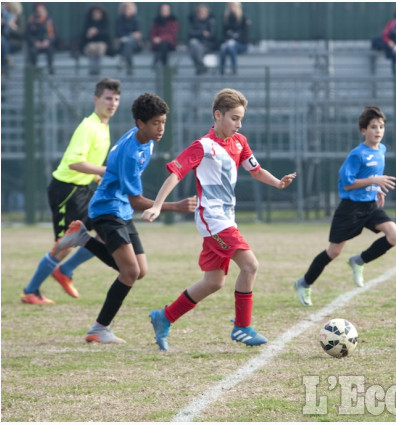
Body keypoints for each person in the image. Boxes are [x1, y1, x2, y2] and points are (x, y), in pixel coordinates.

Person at [143, 88, 296, 351]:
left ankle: (164, 317)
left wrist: (278, 183)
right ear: (218, 115)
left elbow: (256, 170)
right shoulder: (203, 146)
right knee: (250, 266)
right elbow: (176, 174)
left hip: (227, 218)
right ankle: (242, 327)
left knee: (213, 281)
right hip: (212, 218)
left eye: (241, 119)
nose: (239, 124)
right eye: (234, 118)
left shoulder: (239, 142)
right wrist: (157, 205)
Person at [80, 93, 197, 344]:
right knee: (129, 271)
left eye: (163, 122)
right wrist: (174, 206)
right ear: (140, 122)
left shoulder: (146, 139)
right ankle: (99, 328)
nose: (161, 128)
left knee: (139, 271)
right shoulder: (131, 153)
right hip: (106, 210)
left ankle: (82, 239)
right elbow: (137, 202)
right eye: (156, 123)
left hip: (120, 208)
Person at [21, 78, 122, 305]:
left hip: (82, 189)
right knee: (65, 244)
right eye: (108, 98)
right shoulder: (89, 127)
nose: (112, 103)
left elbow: (89, 162)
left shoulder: (103, 126)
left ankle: (65, 270)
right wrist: (106, 171)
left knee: (106, 235)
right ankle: (31, 290)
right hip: (66, 190)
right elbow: (74, 163)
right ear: (96, 99)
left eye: (116, 99)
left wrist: (98, 177)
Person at [293, 105, 396, 307]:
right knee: (333, 252)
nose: (378, 131)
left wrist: (376, 189)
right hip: (350, 209)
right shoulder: (357, 154)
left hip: (370, 206)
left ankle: (359, 260)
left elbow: (371, 179)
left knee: (394, 235)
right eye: (373, 127)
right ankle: (304, 283)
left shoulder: (382, 150)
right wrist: (373, 180)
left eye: (381, 127)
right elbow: (348, 183)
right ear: (363, 131)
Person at [371, 10, 396, 74]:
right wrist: (389, 42)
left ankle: (394, 68)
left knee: (392, 50)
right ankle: (394, 68)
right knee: (378, 42)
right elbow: (385, 34)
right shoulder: (392, 24)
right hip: (390, 43)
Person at [218, 2, 250, 75]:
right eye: (230, 6)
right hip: (228, 43)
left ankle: (234, 69)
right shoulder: (226, 17)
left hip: (241, 44)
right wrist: (227, 40)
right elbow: (224, 33)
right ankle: (221, 69)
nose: (232, 7)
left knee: (232, 46)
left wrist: (233, 40)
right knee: (223, 47)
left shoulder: (243, 17)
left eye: (234, 6)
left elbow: (245, 36)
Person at [80, 5, 111, 76]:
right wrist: (89, 34)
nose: (96, 15)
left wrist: (97, 32)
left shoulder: (105, 22)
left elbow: (106, 34)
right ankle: (92, 69)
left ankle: (98, 69)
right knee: (92, 48)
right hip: (90, 44)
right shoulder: (88, 23)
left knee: (100, 48)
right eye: (94, 14)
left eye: (98, 13)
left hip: (102, 43)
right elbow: (84, 36)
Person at [25, 2, 55, 74]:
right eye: (38, 10)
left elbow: (53, 34)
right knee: (32, 52)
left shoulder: (49, 21)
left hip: (46, 44)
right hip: (35, 44)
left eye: (42, 10)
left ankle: (50, 68)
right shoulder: (31, 21)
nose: (40, 12)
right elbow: (27, 35)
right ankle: (34, 71)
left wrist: (47, 41)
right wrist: (35, 42)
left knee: (50, 50)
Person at [114, 2, 143, 76]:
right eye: (125, 8)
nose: (127, 10)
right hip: (122, 43)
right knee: (128, 44)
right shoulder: (119, 20)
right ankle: (130, 68)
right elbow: (119, 32)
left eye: (129, 8)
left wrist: (130, 36)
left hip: (135, 44)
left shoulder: (136, 19)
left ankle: (122, 60)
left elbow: (138, 33)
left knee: (129, 42)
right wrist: (131, 34)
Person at [187, 3, 217, 75]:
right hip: (196, 45)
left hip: (207, 45)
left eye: (204, 12)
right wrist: (201, 33)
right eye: (200, 12)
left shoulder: (211, 21)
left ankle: (199, 67)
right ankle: (201, 66)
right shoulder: (195, 22)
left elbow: (211, 35)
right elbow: (190, 33)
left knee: (194, 47)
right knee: (193, 43)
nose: (202, 14)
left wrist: (199, 34)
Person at [149, 2, 179, 68]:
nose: (164, 11)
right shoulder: (156, 21)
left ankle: (163, 65)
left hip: (170, 44)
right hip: (157, 44)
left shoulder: (173, 21)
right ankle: (164, 66)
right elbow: (152, 33)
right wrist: (154, 39)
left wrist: (160, 39)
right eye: (163, 10)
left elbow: (172, 34)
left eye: (166, 10)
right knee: (162, 45)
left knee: (164, 44)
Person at [1, 2, 25, 77]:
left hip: (15, 42)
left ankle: (3, 72)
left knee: (2, 43)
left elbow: (21, 32)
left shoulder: (19, 17)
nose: (4, 6)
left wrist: (13, 26)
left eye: (6, 4)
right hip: (3, 42)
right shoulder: (3, 16)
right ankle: (7, 59)